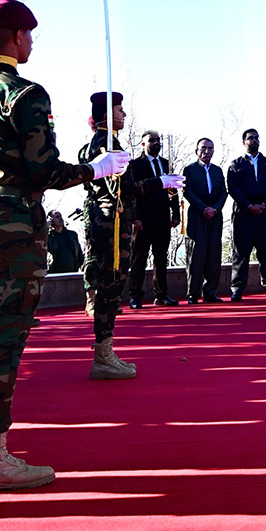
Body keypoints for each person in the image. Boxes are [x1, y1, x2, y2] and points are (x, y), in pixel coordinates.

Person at [0, 0, 128, 492]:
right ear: (18, 37)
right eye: (29, 36)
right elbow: (43, 169)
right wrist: (94, 171)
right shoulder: (25, 94)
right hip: (12, 229)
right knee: (1, 341)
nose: (30, 44)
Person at [79, 93, 139, 379]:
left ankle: (105, 351)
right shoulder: (107, 144)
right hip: (110, 224)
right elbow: (122, 190)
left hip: (109, 221)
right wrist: (157, 184)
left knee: (112, 286)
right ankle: (103, 355)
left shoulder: (102, 142)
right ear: (106, 115)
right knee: (111, 285)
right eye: (119, 109)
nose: (124, 114)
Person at [127, 131, 182, 308]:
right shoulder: (135, 165)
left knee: (161, 258)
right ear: (143, 144)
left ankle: (161, 294)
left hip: (162, 219)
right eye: (152, 140)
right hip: (143, 220)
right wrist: (135, 218)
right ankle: (135, 295)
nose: (156, 143)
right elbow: (132, 193)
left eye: (158, 140)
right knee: (139, 258)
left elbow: (172, 189)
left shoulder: (167, 163)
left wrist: (175, 214)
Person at [227, 128, 266, 303]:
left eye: (256, 138)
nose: (254, 140)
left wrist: (264, 204)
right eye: (250, 138)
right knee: (240, 253)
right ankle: (237, 289)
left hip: (264, 212)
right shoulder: (236, 164)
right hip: (243, 213)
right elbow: (233, 188)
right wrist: (248, 206)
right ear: (243, 142)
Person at [182, 139, 227, 304]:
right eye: (203, 148)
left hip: (215, 216)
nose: (206, 152)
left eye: (210, 149)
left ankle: (210, 292)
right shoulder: (190, 170)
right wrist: (204, 209)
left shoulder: (217, 170)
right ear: (196, 151)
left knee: (214, 253)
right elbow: (187, 192)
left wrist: (215, 209)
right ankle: (193, 293)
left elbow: (223, 192)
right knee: (196, 255)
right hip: (197, 216)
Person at [46, 209, 84, 275]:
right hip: (54, 274)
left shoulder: (72, 235)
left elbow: (79, 254)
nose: (60, 219)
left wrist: (81, 265)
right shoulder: (48, 238)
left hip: (72, 273)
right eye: (57, 217)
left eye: (60, 216)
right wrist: (45, 228)